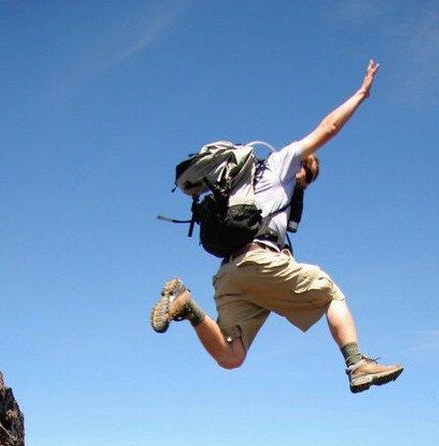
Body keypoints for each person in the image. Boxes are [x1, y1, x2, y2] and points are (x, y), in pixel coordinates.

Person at [150, 61, 404, 394]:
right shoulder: (282, 164)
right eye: (308, 171)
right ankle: (357, 365)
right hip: (258, 260)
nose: (306, 180)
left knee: (231, 357)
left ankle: (187, 305)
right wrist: (360, 95)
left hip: (230, 273)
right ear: (301, 165)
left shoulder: (245, 185)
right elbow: (328, 128)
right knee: (331, 293)